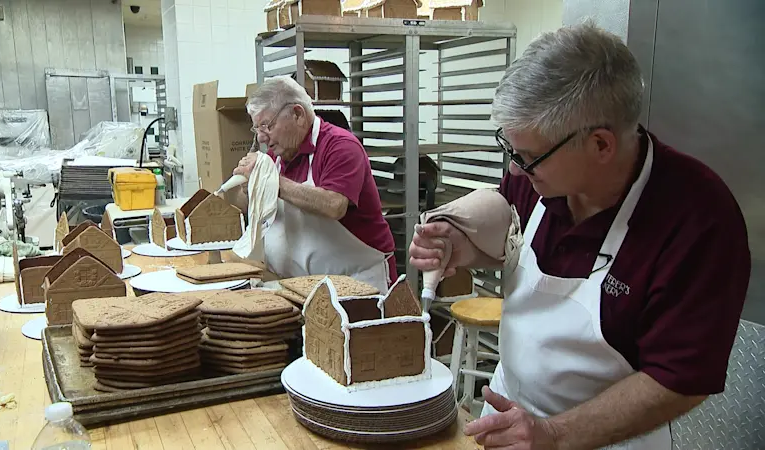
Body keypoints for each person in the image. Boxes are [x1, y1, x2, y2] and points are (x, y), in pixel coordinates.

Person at [409, 22, 751, 449]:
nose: (515, 169)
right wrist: (460, 246)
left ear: (601, 145)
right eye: (511, 151)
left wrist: (555, 435)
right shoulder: (543, 178)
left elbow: (679, 380)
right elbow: (516, 242)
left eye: (529, 158)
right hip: (509, 421)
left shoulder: (698, 220)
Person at [233, 76, 397, 293]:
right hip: (298, 286)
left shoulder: (340, 146)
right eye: (257, 129)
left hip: (356, 285)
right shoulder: (276, 155)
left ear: (298, 114)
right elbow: (242, 207)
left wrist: (270, 182)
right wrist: (249, 186)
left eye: (267, 126)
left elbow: (333, 205)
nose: (262, 138)